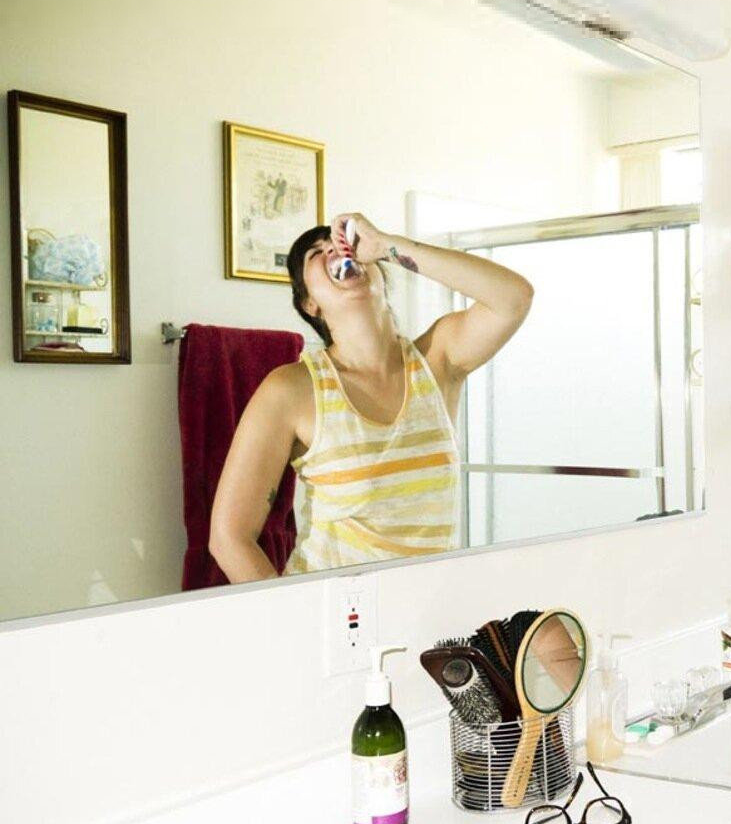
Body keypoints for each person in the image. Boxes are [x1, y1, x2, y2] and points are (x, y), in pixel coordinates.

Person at [210, 213, 533, 581]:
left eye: (343, 243)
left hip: (429, 606)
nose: (334, 249)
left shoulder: (438, 360)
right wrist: (298, 614)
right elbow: (228, 538)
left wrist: (385, 244)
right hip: (334, 609)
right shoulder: (290, 389)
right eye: (316, 252)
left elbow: (514, 298)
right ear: (309, 303)